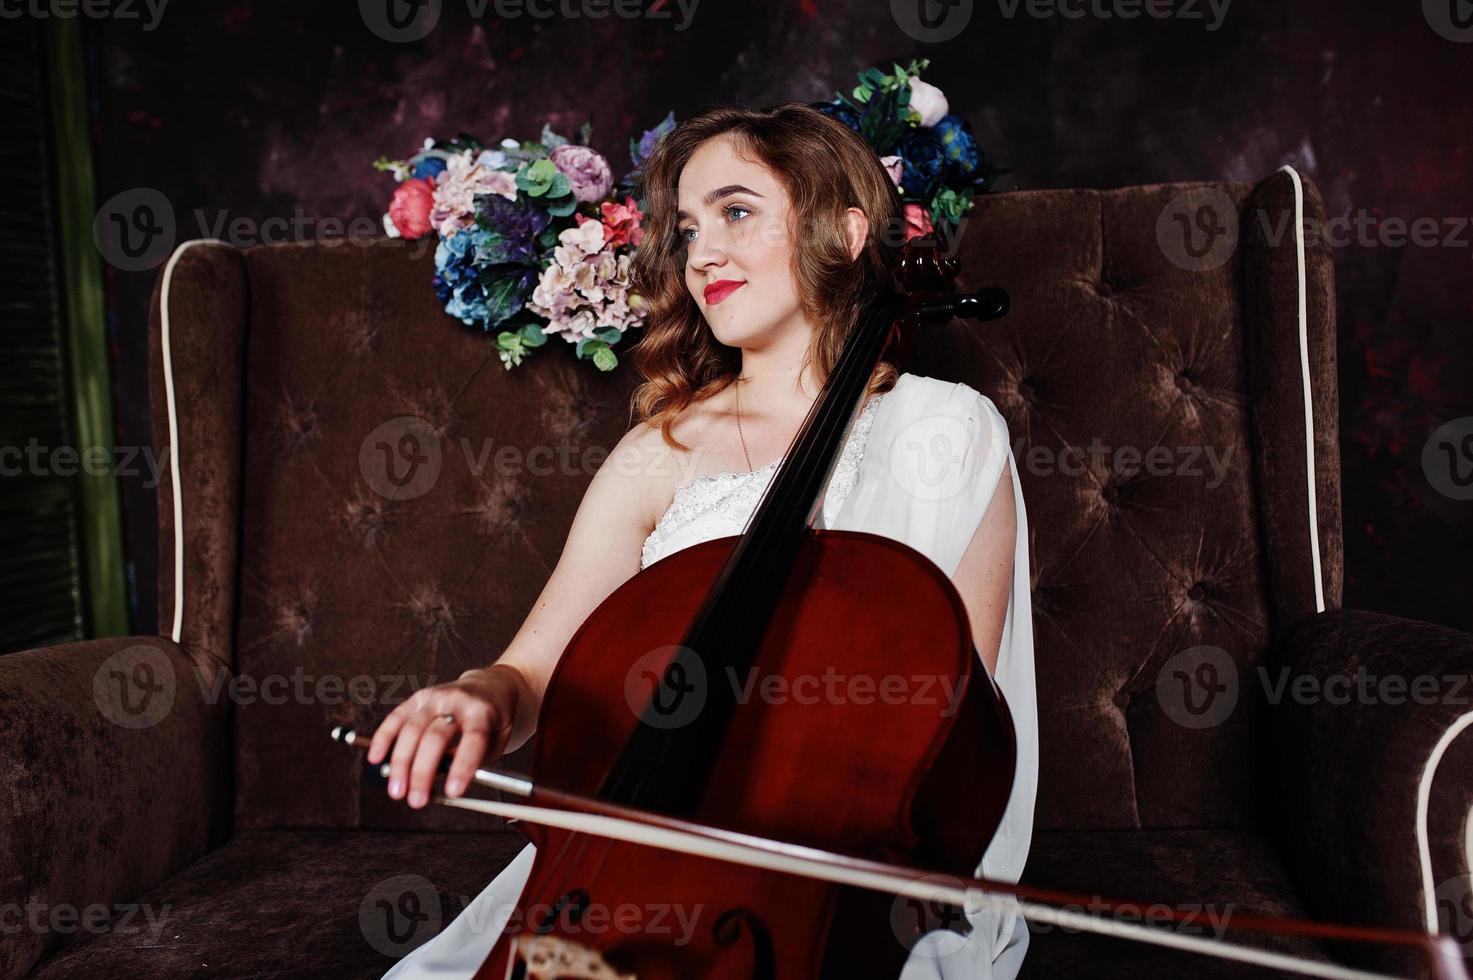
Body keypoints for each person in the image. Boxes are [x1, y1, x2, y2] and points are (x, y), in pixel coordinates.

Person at [368, 101, 1038, 979]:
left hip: (847, 880)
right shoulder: (661, 450)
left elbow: (950, 729)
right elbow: (531, 672)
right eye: (686, 229)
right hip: (624, 866)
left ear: (843, 233)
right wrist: (478, 700)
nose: (703, 254)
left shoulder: (947, 427)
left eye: (735, 212)